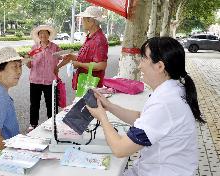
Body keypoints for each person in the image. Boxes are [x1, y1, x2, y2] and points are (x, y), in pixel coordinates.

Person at [86, 37, 205, 176]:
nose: (139, 65)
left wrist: (102, 117)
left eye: (143, 59)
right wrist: (109, 106)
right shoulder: (173, 89)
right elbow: (141, 118)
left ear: (160, 66)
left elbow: (120, 149)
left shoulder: (165, 103)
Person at [27, 25, 69, 131]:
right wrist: (26, 61)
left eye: (45, 33)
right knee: (34, 104)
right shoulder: (34, 48)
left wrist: (58, 67)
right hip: (35, 80)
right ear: (38, 36)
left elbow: (66, 57)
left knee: (51, 104)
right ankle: (33, 124)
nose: (43, 35)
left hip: (50, 81)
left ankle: (52, 123)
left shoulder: (55, 47)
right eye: (41, 33)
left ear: (49, 35)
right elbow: (29, 65)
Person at [63, 6, 108, 89]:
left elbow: (101, 65)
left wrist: (79, 64)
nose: (82, 22)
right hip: (84, 83)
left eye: (83, 19)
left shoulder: (99, 39)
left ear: (91, 21)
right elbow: (88, 59)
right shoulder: (90, 37)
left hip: (91, 86)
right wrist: (73, 57)